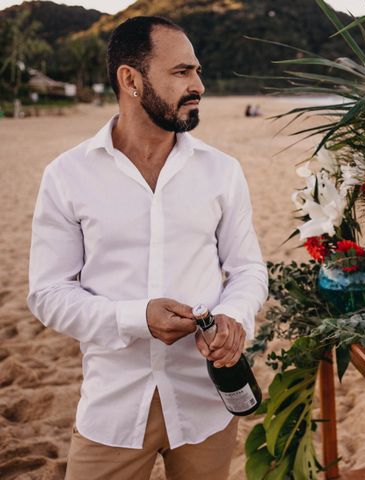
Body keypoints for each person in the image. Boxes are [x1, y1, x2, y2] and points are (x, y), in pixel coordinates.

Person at [27, 16, 268, 480]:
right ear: (131, 80)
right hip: (113, 408)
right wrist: (136, 319)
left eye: (197, 71)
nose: (198, 85)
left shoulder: (222, 171)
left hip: (206, 406)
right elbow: (48, 293)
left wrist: (235, 318)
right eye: (181, 72)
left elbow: (247, 269)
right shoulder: (66, 175)